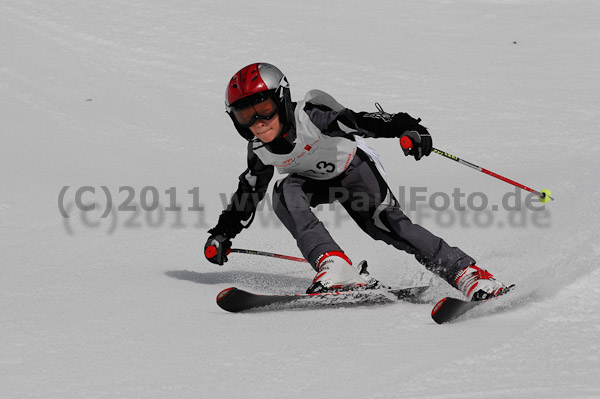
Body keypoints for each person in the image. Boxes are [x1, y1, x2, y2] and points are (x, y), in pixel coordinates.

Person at [204, 62, 509, 301]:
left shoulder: (311, 116)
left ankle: (469, 274)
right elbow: (249, 192)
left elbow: (362, 122)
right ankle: (335, 265)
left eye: (264, 109)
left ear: (281, 99)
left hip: (354, 169)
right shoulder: (258, 149)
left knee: (390, 226)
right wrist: (222, 233)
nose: (259, 122)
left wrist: (410, 128)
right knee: (284, 192)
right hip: (315, 183)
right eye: (246, 115)